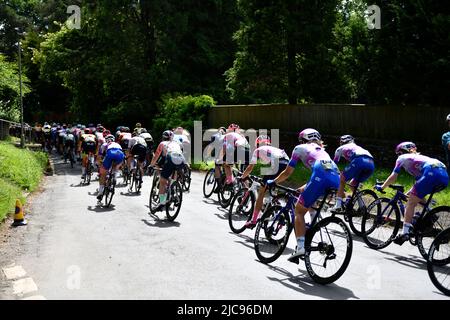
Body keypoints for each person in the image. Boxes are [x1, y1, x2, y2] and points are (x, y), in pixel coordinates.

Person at [266, 129, 340, 262]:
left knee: (299, 211)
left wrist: (274, 181)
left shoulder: (299, 148)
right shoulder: (322, 151)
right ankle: (313, 223)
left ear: (302, 140)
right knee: (310, 199)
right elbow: (324, 173)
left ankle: (300, 247)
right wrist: (303, 187)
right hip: (335, 176)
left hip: (320, 174)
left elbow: (287, 172)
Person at [375, 142, 449, 245]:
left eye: (398, 153)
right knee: (418, 196)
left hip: (430, 173)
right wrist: (407, 194)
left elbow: (393, 176)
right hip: (443, 176)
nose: (398, 156)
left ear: (401, 152)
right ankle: (431, 215)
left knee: (410, 203)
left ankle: (405, 233)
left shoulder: (402, 158)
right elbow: (418, 184)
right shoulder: (419, 160)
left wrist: (382, 186)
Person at [240, 134, 290, 229]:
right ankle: (276, 209)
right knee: (272, 185)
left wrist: (243, 177)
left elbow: (250, 168)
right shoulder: (274, 149)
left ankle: (253, 220)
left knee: (261, 192)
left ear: (257, 144)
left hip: (276, 165)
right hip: (286, 166)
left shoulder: (258, 150)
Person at [332, 135, 375, 213]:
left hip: (359, 160)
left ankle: (338, 206)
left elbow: (333, 164)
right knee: (353, 183)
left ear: (341, 142)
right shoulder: (357, 147)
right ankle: (362, 207)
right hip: (371, 163)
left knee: (342, 178)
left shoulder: (339, 149)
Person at [150, 130, 186, 212]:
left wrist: (151, 165)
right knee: (174, 172)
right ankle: (174, 189)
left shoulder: (162, 143)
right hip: (181, 158)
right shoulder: (177, 143)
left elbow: (156, 156)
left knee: (163, 181)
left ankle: (162, 202)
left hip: (170, 157)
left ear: (163, 137)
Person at [97, 138, 125, 204]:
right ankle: (114, 177)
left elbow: (99, 156)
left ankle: (100, 192)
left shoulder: (104, 144)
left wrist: (99, 164)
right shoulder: (117, 144)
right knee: (116, 167)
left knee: (103, 174)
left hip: (110, 153)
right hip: (120, 153)